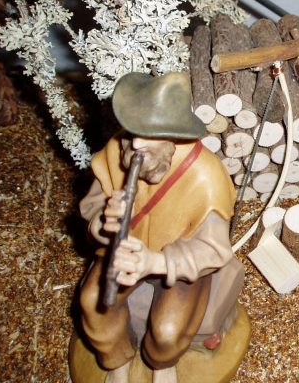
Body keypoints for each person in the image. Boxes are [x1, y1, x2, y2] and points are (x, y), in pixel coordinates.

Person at [78, 72, 243, 383]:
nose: (136, 143)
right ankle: (117, 359)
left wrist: (156, 262)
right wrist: (104, 222)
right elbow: (91, 208)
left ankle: (162, 363)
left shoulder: (206, 176)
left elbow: (214, 250)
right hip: (123, 252)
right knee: (95, 302)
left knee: (168, 330)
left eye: (150, 134)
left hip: (178, 264)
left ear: (174, 137)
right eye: (132, 130)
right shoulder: (118, 151)